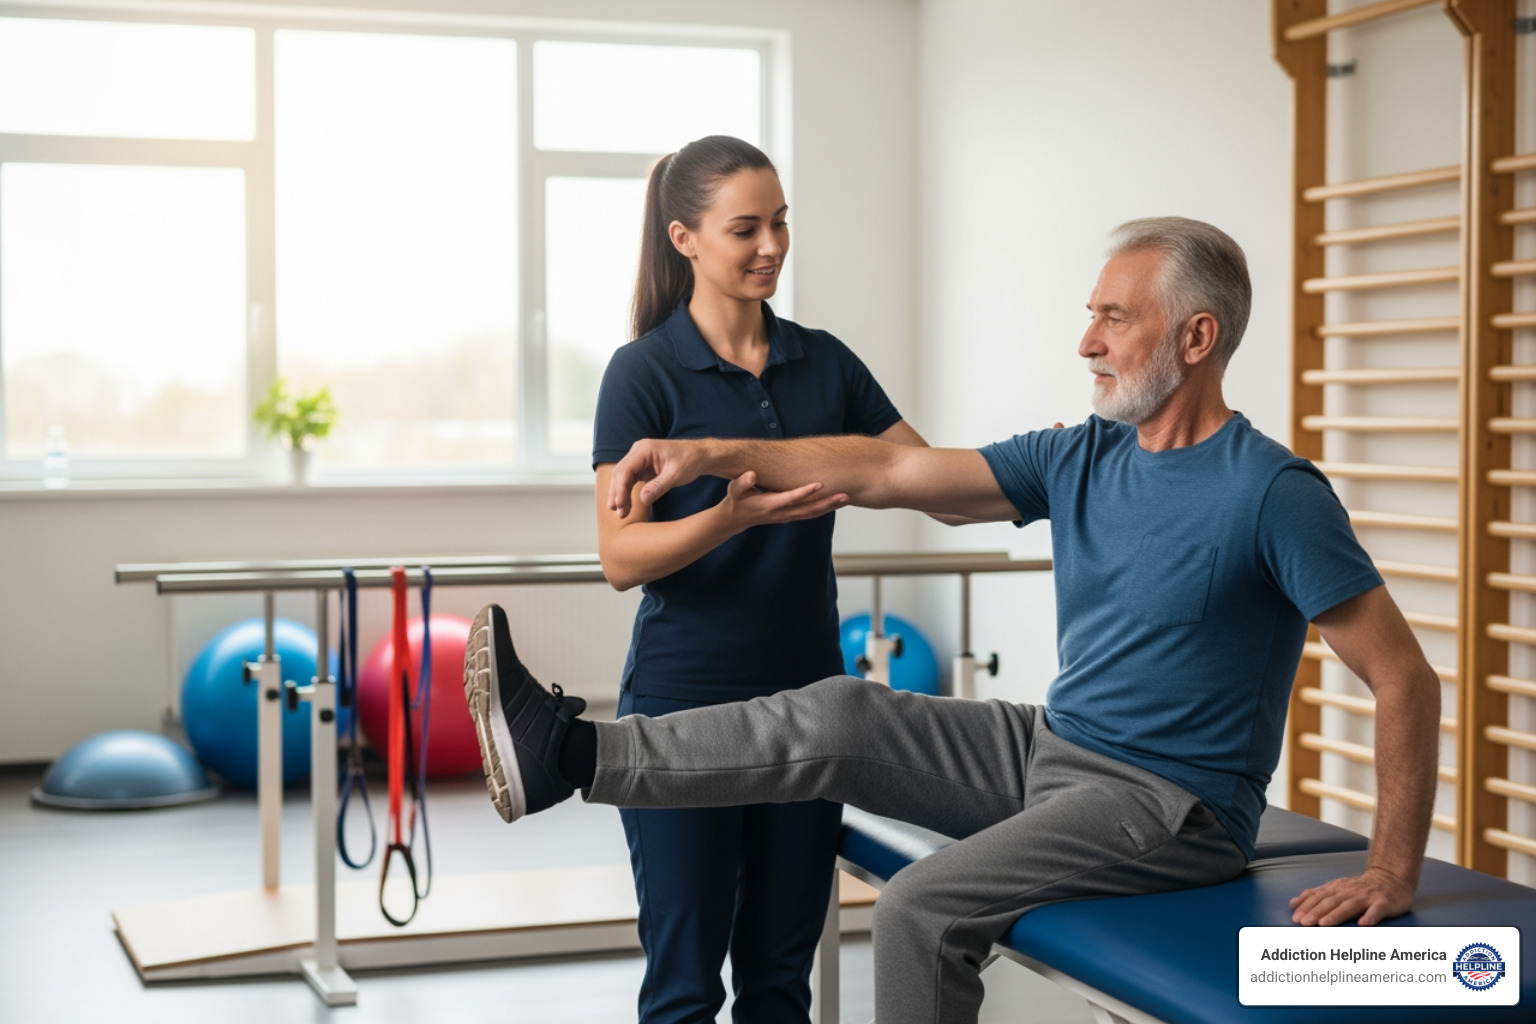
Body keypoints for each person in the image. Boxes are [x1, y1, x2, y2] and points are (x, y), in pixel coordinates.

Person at [463, 217, 1441, 1024]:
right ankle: (573, 755)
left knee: (921, 909)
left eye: (1115, 318)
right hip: (1051, 747)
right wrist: (710, 453)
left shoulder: (1271, 492)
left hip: (1168, 803)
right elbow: (892, 470)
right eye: (1089, 314)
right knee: (844, 711)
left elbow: (1404, 677)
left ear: (1196, 339)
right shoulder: (1084, 456)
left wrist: (1391, 867)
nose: (1087, 341)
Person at [583, 134, 935, 1024]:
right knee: (685, 987)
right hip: (684, 708)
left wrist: (1054, 462)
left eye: (780, 223)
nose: (771, 245)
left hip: (812, 709)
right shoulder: (644, 374)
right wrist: (727, 517)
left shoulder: (827, 363)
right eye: (746, 228)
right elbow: (621, 559)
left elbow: (924, 475)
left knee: (782, 984)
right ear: (685, 238)